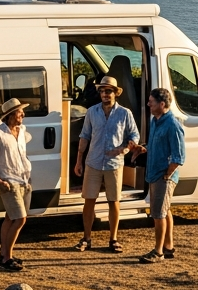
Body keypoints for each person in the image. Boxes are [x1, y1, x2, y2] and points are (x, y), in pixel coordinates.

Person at [72, 75, 139, 254]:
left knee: (114, 201)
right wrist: (78, 161)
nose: (104, 94)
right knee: (89, 200)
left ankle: (113, 239)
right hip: (93, 162)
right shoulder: (91, 112)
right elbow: (84, 136)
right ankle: (86, 238)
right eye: (102, 91)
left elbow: (134, 134)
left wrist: (125, 148)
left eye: (108, 91)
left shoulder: (125, 113)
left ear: (116, 93)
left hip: (114, 164)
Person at [133, 87, 186, 263]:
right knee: (164, 210)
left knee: (158, 214)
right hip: (155, 174)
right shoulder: (156, 121)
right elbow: (157, 145)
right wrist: (144, 149)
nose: (148, 104)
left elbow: (179, 156)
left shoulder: (172, 125)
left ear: (162, 104)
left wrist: (167, 175)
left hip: (163, 176)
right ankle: (168, 247)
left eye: (151, 102)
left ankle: (158, 252)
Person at [0, 97, 32, 271]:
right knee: (20, 219)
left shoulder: (22, 131)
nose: (23, 115)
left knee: (10, 218)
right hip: (9, 182)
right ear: (10, 115)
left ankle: (3, 254)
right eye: (19, 112)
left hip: (24, 180)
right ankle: (7, 258)